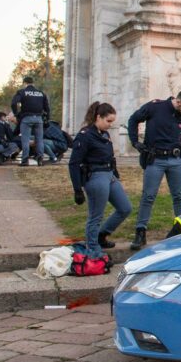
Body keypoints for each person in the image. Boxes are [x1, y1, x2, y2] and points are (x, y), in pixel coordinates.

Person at [127, 89, 181, 251]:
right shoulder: (155, 107)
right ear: (178, 102)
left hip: (176, 160)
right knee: (149, 196)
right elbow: (133, 119)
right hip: (155, 159)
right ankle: (140, 231)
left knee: (179, 196)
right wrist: (135, 142)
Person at [69, 101, 131, 258]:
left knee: (125, 208)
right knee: (96, 216)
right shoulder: (85, 135)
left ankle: (101, 235)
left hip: (109, 175)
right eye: (108, 121)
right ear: (98, 117)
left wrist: (115, 175)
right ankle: (92, 248)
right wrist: (77, 189)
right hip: (95, 177)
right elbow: (74, 163)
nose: (110, 125)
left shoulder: (104, 134)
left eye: (112, 122)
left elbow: (110, 156)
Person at [11, 76, 50, 166]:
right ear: (33, 83)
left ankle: (25, 160)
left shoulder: (22, 92)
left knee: (25, 140)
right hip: (39, 118)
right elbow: (47, 108)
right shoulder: (41, 93)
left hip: (26, 118)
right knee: (39, 140)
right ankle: (40, 159)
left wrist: (16, 114)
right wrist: (47, 119)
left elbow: (13, 103)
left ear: (25, 83)